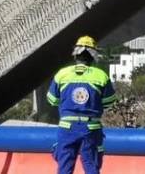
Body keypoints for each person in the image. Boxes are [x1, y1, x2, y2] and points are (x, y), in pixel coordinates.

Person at [47, 36, 117, 174]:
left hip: (66, 128)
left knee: (64, 168)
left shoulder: (62, 74)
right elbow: (109, 101)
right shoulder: (101, 76)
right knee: (91, 166)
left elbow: (52, 100)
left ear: (76, 55)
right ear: (92, 56)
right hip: (91, 128)